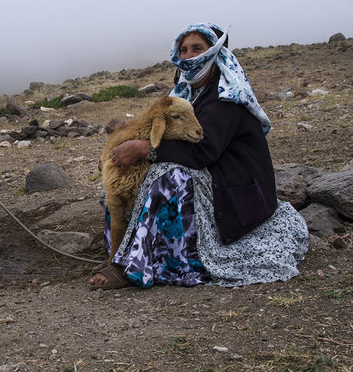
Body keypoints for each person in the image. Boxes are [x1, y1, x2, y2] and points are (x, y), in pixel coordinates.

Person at [89, 23, 308, 289]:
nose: (188, 56)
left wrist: (145, 149)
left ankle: (135, 266)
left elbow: (205, 151)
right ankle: (121, 252)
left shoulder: (225, 97)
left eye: (197, 48)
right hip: (212, 172)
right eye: (183, 50)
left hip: (233, 183)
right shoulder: (188, 92)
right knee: (120, 181)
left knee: (166, 177)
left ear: (215, 53)